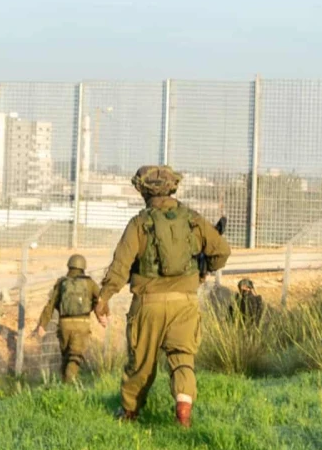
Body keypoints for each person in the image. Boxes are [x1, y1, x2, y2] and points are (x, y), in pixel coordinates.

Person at [98, 165, 231, 427]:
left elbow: (120, 267)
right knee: (183, 359)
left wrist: (103, 298)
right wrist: (202, 270)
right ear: (173, 187)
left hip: (148, 304)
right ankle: (183, 414)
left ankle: (129, 413)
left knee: (141, 365)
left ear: (142, 190)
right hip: (185, 302)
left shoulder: (139, 223)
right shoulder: (193, 219)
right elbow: (222, 252)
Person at [34, 254, 100, 382]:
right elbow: (100, 300)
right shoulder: (89, 283)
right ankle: (69, 384)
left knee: (65, 356)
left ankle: (65, 383)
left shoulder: (62, 283)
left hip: (64, 324)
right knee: (75, 356)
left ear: (69, 266)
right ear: (83, 267)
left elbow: (51, 304)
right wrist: (103, 315)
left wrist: (42, 324)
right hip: (82, 323)